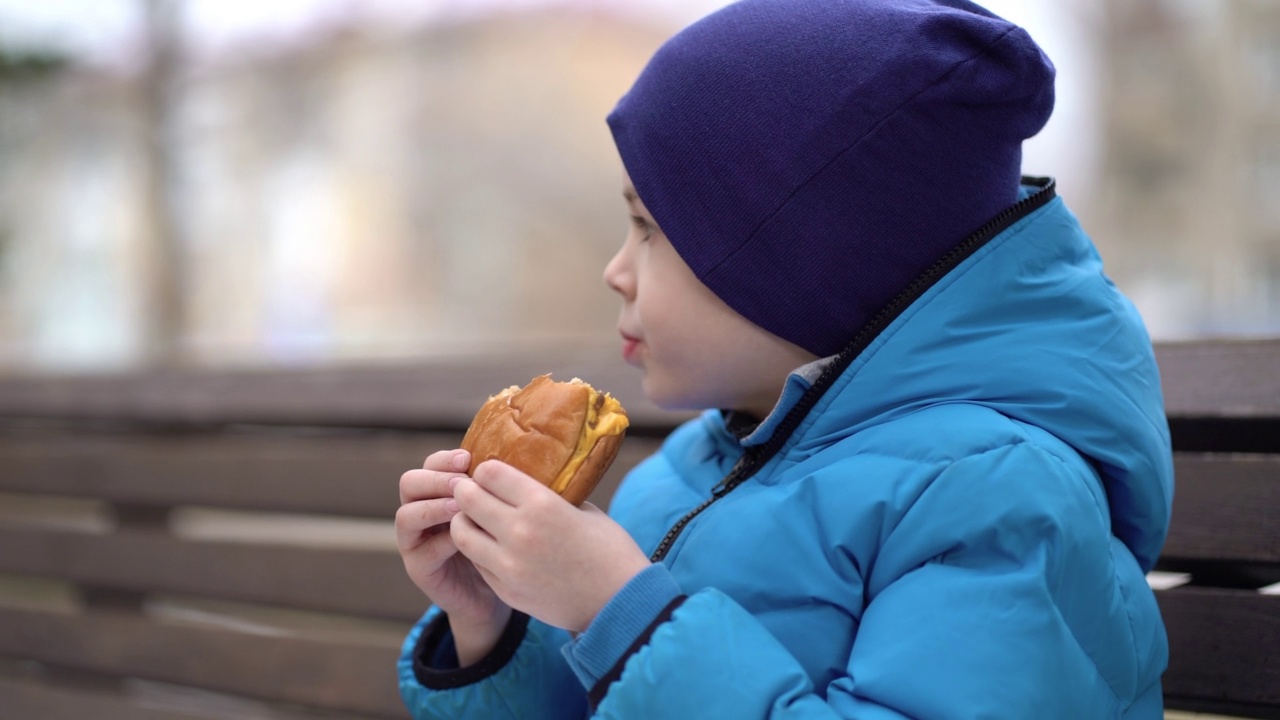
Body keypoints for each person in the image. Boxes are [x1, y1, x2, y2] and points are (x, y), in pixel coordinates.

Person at [394, 0, 1174, 717]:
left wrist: (616, 611)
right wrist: (489, 625)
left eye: (651, 230)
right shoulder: (689, 468)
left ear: (806, 263)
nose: (615, 270)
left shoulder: (996, 498)